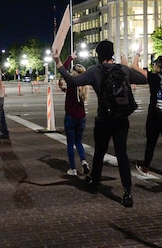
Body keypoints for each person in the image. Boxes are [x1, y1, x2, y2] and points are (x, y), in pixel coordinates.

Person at [54, 40, 147, 206]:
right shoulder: (123, 70)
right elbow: (143, 79)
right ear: (112, 54)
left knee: (99, 152)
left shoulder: (95, 71)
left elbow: (73, 82)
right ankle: (127, 191)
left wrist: (59, 63)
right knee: (122, 155)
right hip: (121, 120)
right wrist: (132, 63)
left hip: (104, 119)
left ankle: (94, 182)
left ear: (98, 55)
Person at [132, 52, 162, 183]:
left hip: (156, 115)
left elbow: (134, 66)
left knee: (151, 143)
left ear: (157, 66)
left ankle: (146, 166)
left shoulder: (154, 77)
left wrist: (138, 52)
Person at [58, 54, 90, 177]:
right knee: (79, 142)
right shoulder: (84, 85)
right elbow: (75, 96)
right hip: (81, 117)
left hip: (71, 117)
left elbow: (62, 70)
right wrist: (65, 91)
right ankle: (83, 161)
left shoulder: (72, 82)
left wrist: (70, 58)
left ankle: (73, 168)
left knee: (70, 143)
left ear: (75, 73)